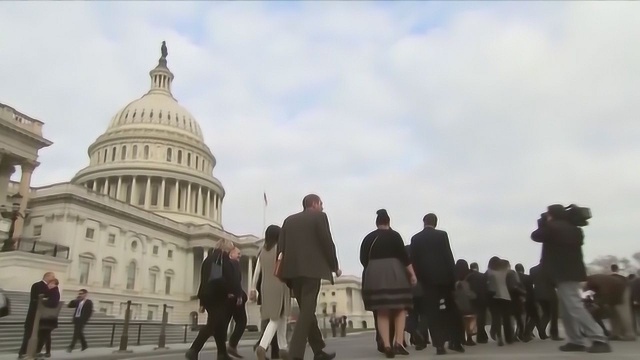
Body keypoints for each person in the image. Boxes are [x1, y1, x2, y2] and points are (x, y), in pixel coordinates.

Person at [531, 204, 611, 353]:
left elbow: (535, 236)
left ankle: (598, 338)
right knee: (568, 309)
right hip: (572, 272)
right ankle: (575, 340)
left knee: (574, 306)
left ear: (552, 214)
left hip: (562, 273)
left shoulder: (552, 227)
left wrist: (543, 223)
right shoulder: (575, 229)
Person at [278, 194, 340, 360]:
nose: (322, 207)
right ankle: (294, 354)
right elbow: (327, 242)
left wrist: (283, 271)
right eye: (321, 203)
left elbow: (281, 247)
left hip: (292, 272)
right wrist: (334, 266)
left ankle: (318, 350)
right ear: (314, 204)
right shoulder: (319, 217)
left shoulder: (288, 220)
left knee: (307, 312)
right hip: (312, 270)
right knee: (307, 312)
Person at [360, 209, 416, 358]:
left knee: (382, 310)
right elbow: (404, 258)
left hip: (374, 274)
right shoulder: (395, 236)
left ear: (377, 222)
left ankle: (386, 345)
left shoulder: (368, 238)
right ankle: (399, 342)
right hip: (395, 273)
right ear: (388, 222)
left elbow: (363, 260)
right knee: (400, 308)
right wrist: (412, 274)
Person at [410, 213, 463, 355]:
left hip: (426, 281)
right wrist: (455, 278)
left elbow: (413, 261)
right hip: (444, 279)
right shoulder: (442, 235)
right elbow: (448, 256)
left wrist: (416, 279)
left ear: (423, 222)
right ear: (436, 223)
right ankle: (455, 341)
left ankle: (439, 345)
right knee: (451, 309)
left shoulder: (415, 239)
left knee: (432, 312)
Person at [186, 239, 243, 360]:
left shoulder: (208, 259)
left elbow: (204, 281)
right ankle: (194, 350)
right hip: (217, 297)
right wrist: (230, 292)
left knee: (219, 326)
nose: (231, 251)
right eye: (231, 248)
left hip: (208, 296)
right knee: (212, 325)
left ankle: (222, 354)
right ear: (225, 248)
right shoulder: (220, 258)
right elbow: (217, 278)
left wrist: (201, 301)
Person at [251, 224, 291, 360]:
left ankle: (283, 348)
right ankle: (262, 347)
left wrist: (252, 288)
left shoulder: (262, 251)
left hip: (265, 286)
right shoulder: (280, 250)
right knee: (276, 318)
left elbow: (257, 272)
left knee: (282, 317)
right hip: (280, 284)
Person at [18, 272, 55, 359]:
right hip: (34, 315)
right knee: (28, 335)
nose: (53, 279)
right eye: (52, 277)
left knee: (41, 336)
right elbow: (37, 298)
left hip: (43, 316)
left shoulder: (49, 287)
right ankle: (22, 353)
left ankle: (35, 352)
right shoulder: (37, 285)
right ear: (47, 277)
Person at [529, 263, 561, 340]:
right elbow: (555, 283)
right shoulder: (551, 269)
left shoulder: (533, 269)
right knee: (553, 314)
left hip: (538, 293)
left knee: (546, 313)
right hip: (550, 293)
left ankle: (540, 331)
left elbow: (531, 281)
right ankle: (554, 334)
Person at [227, 247, 248, 358]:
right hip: (235, 298)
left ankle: (229, 348)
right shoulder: (234, 264)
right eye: (238, 253)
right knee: (242, 321)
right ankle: (232, 344)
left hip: (229, 296)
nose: (240, 255)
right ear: (231, 254)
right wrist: (239, 296)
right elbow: (236, 281)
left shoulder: (223, 264)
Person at [486, 257, 512, 346]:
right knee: (506, 318)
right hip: (506, 296)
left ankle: (499, 337)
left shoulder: (489, 272)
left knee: (496, 318)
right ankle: (509, 338)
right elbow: (508, 266)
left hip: (493, 297)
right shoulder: (504, 271)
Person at [37, 279, 62, 358]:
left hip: (49, 318)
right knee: (46, 335)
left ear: (55, 284)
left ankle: (38, 351)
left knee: (43, 335)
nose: (48, 285)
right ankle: (47, 352)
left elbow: (53, 303)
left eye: (50, 283)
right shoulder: (51, 292)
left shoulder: (55, 292)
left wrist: (43, 302)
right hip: (49, 318)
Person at [466, 262, 489, 343]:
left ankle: (474, 336)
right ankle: (481, 336)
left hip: (472, 300)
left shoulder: (468, 277)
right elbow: (487, 287)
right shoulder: (482, 276)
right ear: (477, 267)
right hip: (483, 299)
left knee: (473, 318)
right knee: (482, 318)